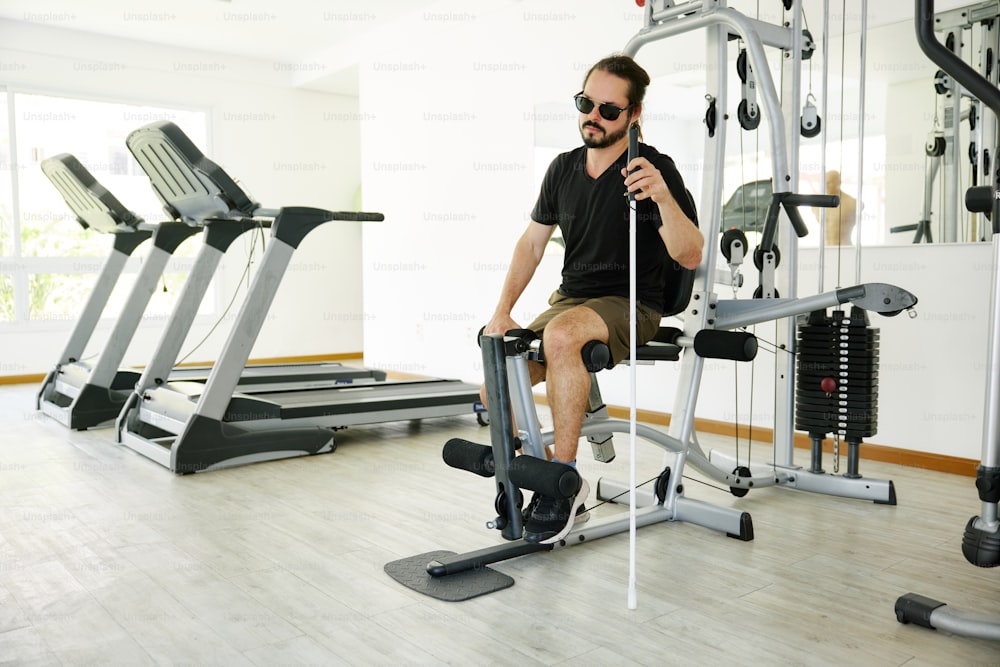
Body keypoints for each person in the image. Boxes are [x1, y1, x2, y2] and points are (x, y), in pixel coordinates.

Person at [481, 54, 703, 544]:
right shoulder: (562, 170)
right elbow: (532, 245)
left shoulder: (653, 168)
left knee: (562, 337)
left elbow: (690, 255)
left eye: (608, 109)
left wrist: (662, 197)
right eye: (586, 104)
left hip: (633, 303)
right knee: (498, 371)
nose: (593, 117)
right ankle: (526, 477)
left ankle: (564, 483)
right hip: (572, 299)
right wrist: (502, 313)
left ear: (634, 115)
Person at [823, 170, 857, 245]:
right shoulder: (818, 204)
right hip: (825, 249)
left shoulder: (851, 203)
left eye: (829, 182)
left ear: (838, 182)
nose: (826, 185)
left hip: (844, 249)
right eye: (825, 182)